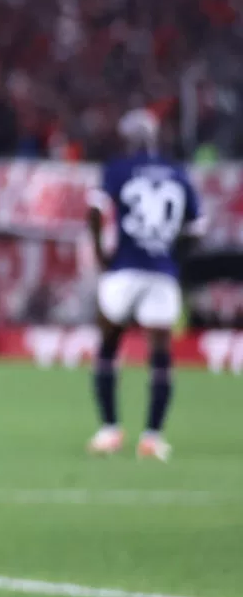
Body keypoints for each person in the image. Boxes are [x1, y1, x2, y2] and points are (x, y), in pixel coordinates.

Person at [85, 108, 203, 462]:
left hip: (124, 268)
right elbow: (196, 229)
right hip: (161, 272)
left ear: (129, 138)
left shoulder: (118, 168)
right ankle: (152, 438)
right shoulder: (178, 173)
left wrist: (101, 253)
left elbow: (94, 210)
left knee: (108, 344)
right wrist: (172, 258)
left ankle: (110, 430)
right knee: (161, 355)